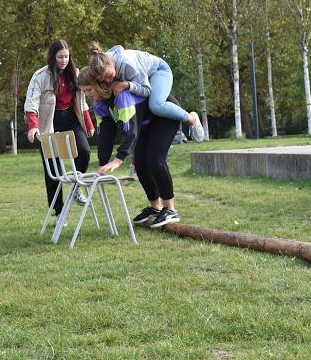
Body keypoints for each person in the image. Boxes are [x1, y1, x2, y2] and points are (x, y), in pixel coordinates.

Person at [78, 67, 181, 228]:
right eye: (84, 92)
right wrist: (102, 164)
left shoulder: (122, 96)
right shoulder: (99, 104)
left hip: (163, 118)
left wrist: (118, 159)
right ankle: (156, 208)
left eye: (89, 89)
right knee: (140, 163)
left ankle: (171, 209)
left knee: (154, 159)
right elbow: (105, 135)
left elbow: (130, 131)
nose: (88, 94)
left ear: (99, 84)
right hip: (145, 125)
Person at [24, 40, 95, 224]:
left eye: (66, 56)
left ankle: (76, 188)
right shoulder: (40, 76)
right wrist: (33, 126)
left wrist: (88, 124)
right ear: (53, 57)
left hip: (71, 118)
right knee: (53, 168)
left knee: (85, 152)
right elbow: (31, 103)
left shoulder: (76, 74)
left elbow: (82, 102)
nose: (63, 60)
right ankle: (58, 212)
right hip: (49, 122)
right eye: (60, 57)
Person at [89, 44, 205, 142]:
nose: (108, 81)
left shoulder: (128, 64)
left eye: (109, 76)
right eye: (103, 79)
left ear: (110, 64)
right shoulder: (101, 62)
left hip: (158, 71)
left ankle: (191, 119)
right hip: (142, 79)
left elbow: (146, 89)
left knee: (156, 105)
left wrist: (127, 85)